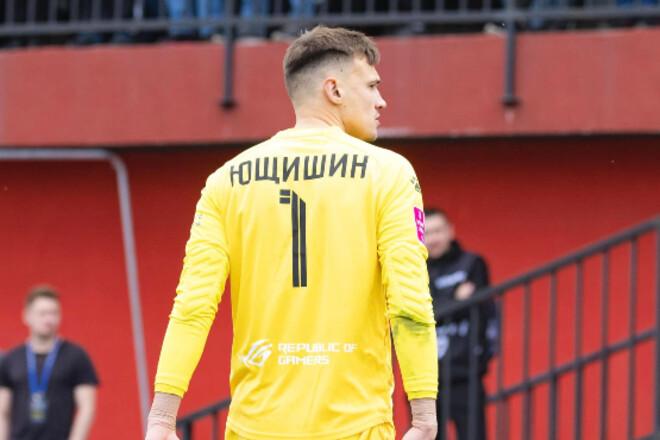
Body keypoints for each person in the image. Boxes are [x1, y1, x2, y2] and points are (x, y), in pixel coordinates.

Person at [145, 26, 438, 440]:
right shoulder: (389, 172)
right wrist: (423, 414)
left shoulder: (225, 180)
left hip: (255, 428)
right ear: (334, 90)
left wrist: (161, 417)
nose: (381, 100)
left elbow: (192, 307)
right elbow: (409, 302)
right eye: (372, 86)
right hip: (355, 428)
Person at [424, 209, 497, 440]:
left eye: (437, 231)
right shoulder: (413, 271)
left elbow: (480, 307)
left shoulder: (472, 263)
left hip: (467, 373)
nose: (433, 238)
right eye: (426, 233)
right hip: (425, 379)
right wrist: (456, 299)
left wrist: (437, 304)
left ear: (450, 231)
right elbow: (417, 314)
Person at [0, 286, 99, 440]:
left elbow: (87, 408)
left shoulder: (76, 356)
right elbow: (2, 411)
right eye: (42, 313)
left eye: (54, 313)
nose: (48, 319)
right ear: (27, 316)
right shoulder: (11, 359)